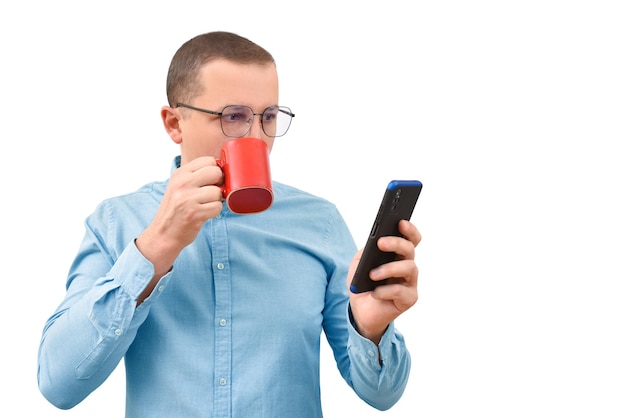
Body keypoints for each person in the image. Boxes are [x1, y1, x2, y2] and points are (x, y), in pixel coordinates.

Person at [37, 31, 421, 417]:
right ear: (174, 124)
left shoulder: (319, 222)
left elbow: (381, 396)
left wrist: (371, 330)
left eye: (268, 117)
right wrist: (156, 246)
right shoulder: (117, 222)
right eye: (233, 117)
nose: (257, 137)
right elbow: (58, 385)